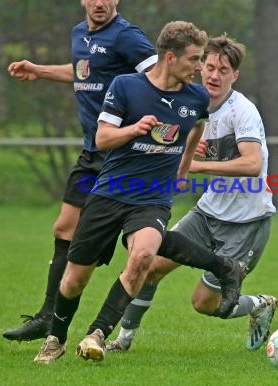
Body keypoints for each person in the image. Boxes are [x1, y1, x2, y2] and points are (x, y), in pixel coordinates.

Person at [33, 20, 245, 364]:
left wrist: (184, 165)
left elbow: (198, 125)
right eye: (194, 60)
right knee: (73, 281)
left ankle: (97, 333)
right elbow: (103, 138)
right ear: (170, 57)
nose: (199, 68)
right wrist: (135, 129)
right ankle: (55, 339)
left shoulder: (196, 96)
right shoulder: (127, 86)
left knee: (144, 255)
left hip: (151, 199)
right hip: (109, 194)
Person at [105, 34, 278, 354]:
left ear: (234, 76)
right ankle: (123, 341)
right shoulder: (191, 103)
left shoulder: (243, 111)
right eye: (209, 66)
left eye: (223, 70)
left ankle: (259, 304)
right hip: (207, 212)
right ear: (200, 67)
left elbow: (253, 164)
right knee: (150, 265)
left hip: (246, 220)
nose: (214, 75)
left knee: (205, 303)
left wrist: (197, 165)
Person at [2, 0, 159, 342]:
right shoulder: (79, 33)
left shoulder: (127, 36)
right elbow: (85, 71)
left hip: (119, 154)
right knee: (64, 227)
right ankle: (47, 316)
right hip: (92, 152)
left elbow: (160, 77)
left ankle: (216, 264)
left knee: (132, 245)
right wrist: (41, 71)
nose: (100, 2)